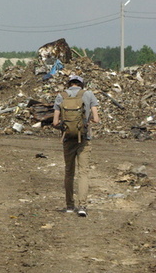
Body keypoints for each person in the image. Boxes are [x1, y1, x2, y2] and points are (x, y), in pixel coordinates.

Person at [52, 74, 100, 217]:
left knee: (69, 172)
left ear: (69, 84)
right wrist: (88, 119)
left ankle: (69, 205)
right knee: (83, 173)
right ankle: (82, 206)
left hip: (67, 139)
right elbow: (96, 119)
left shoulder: (61, 96)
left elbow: (55, 122)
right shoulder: (89, 94)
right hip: (84, 139)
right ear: (81, 84)